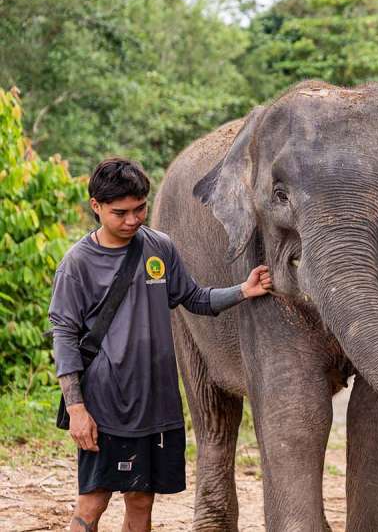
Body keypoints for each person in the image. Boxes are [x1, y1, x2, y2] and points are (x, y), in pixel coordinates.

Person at [49, 158, 272, 532]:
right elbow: (65, 337)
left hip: (156, 403)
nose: (133, 220)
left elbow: (195, 298)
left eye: (140, 209)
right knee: (94, 500)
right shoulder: (77, 264)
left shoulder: (159, 248)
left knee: (141, 500)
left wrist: (243, 291)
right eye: (120, 213)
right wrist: (76, 409)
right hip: (106, 405)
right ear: (96, 207)